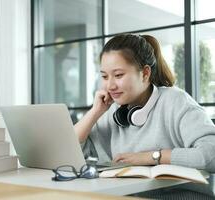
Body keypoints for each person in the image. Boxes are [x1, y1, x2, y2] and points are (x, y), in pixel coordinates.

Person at [74, 33, 215, 173]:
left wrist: (152, 157)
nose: (110, 86)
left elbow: (210, 156)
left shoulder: (176, 101)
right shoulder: (111, 111)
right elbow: (69, 153)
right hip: (126, 193)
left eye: (118, 75)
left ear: (145, 73)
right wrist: (94, 112)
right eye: (105, 76)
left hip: (181, 194)